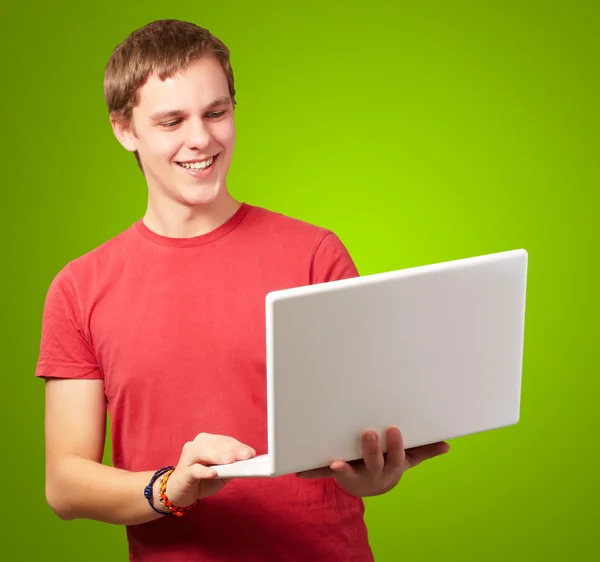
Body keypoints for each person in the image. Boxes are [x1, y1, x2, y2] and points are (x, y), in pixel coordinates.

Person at [36, 19, 449, 562]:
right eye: (171, 120)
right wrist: (170, 487)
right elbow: (64, 485)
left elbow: (356, 451)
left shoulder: (315, 254)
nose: (201, 138)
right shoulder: (78, 288)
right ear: (124, 129)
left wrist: (375, 474)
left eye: (216, 112)